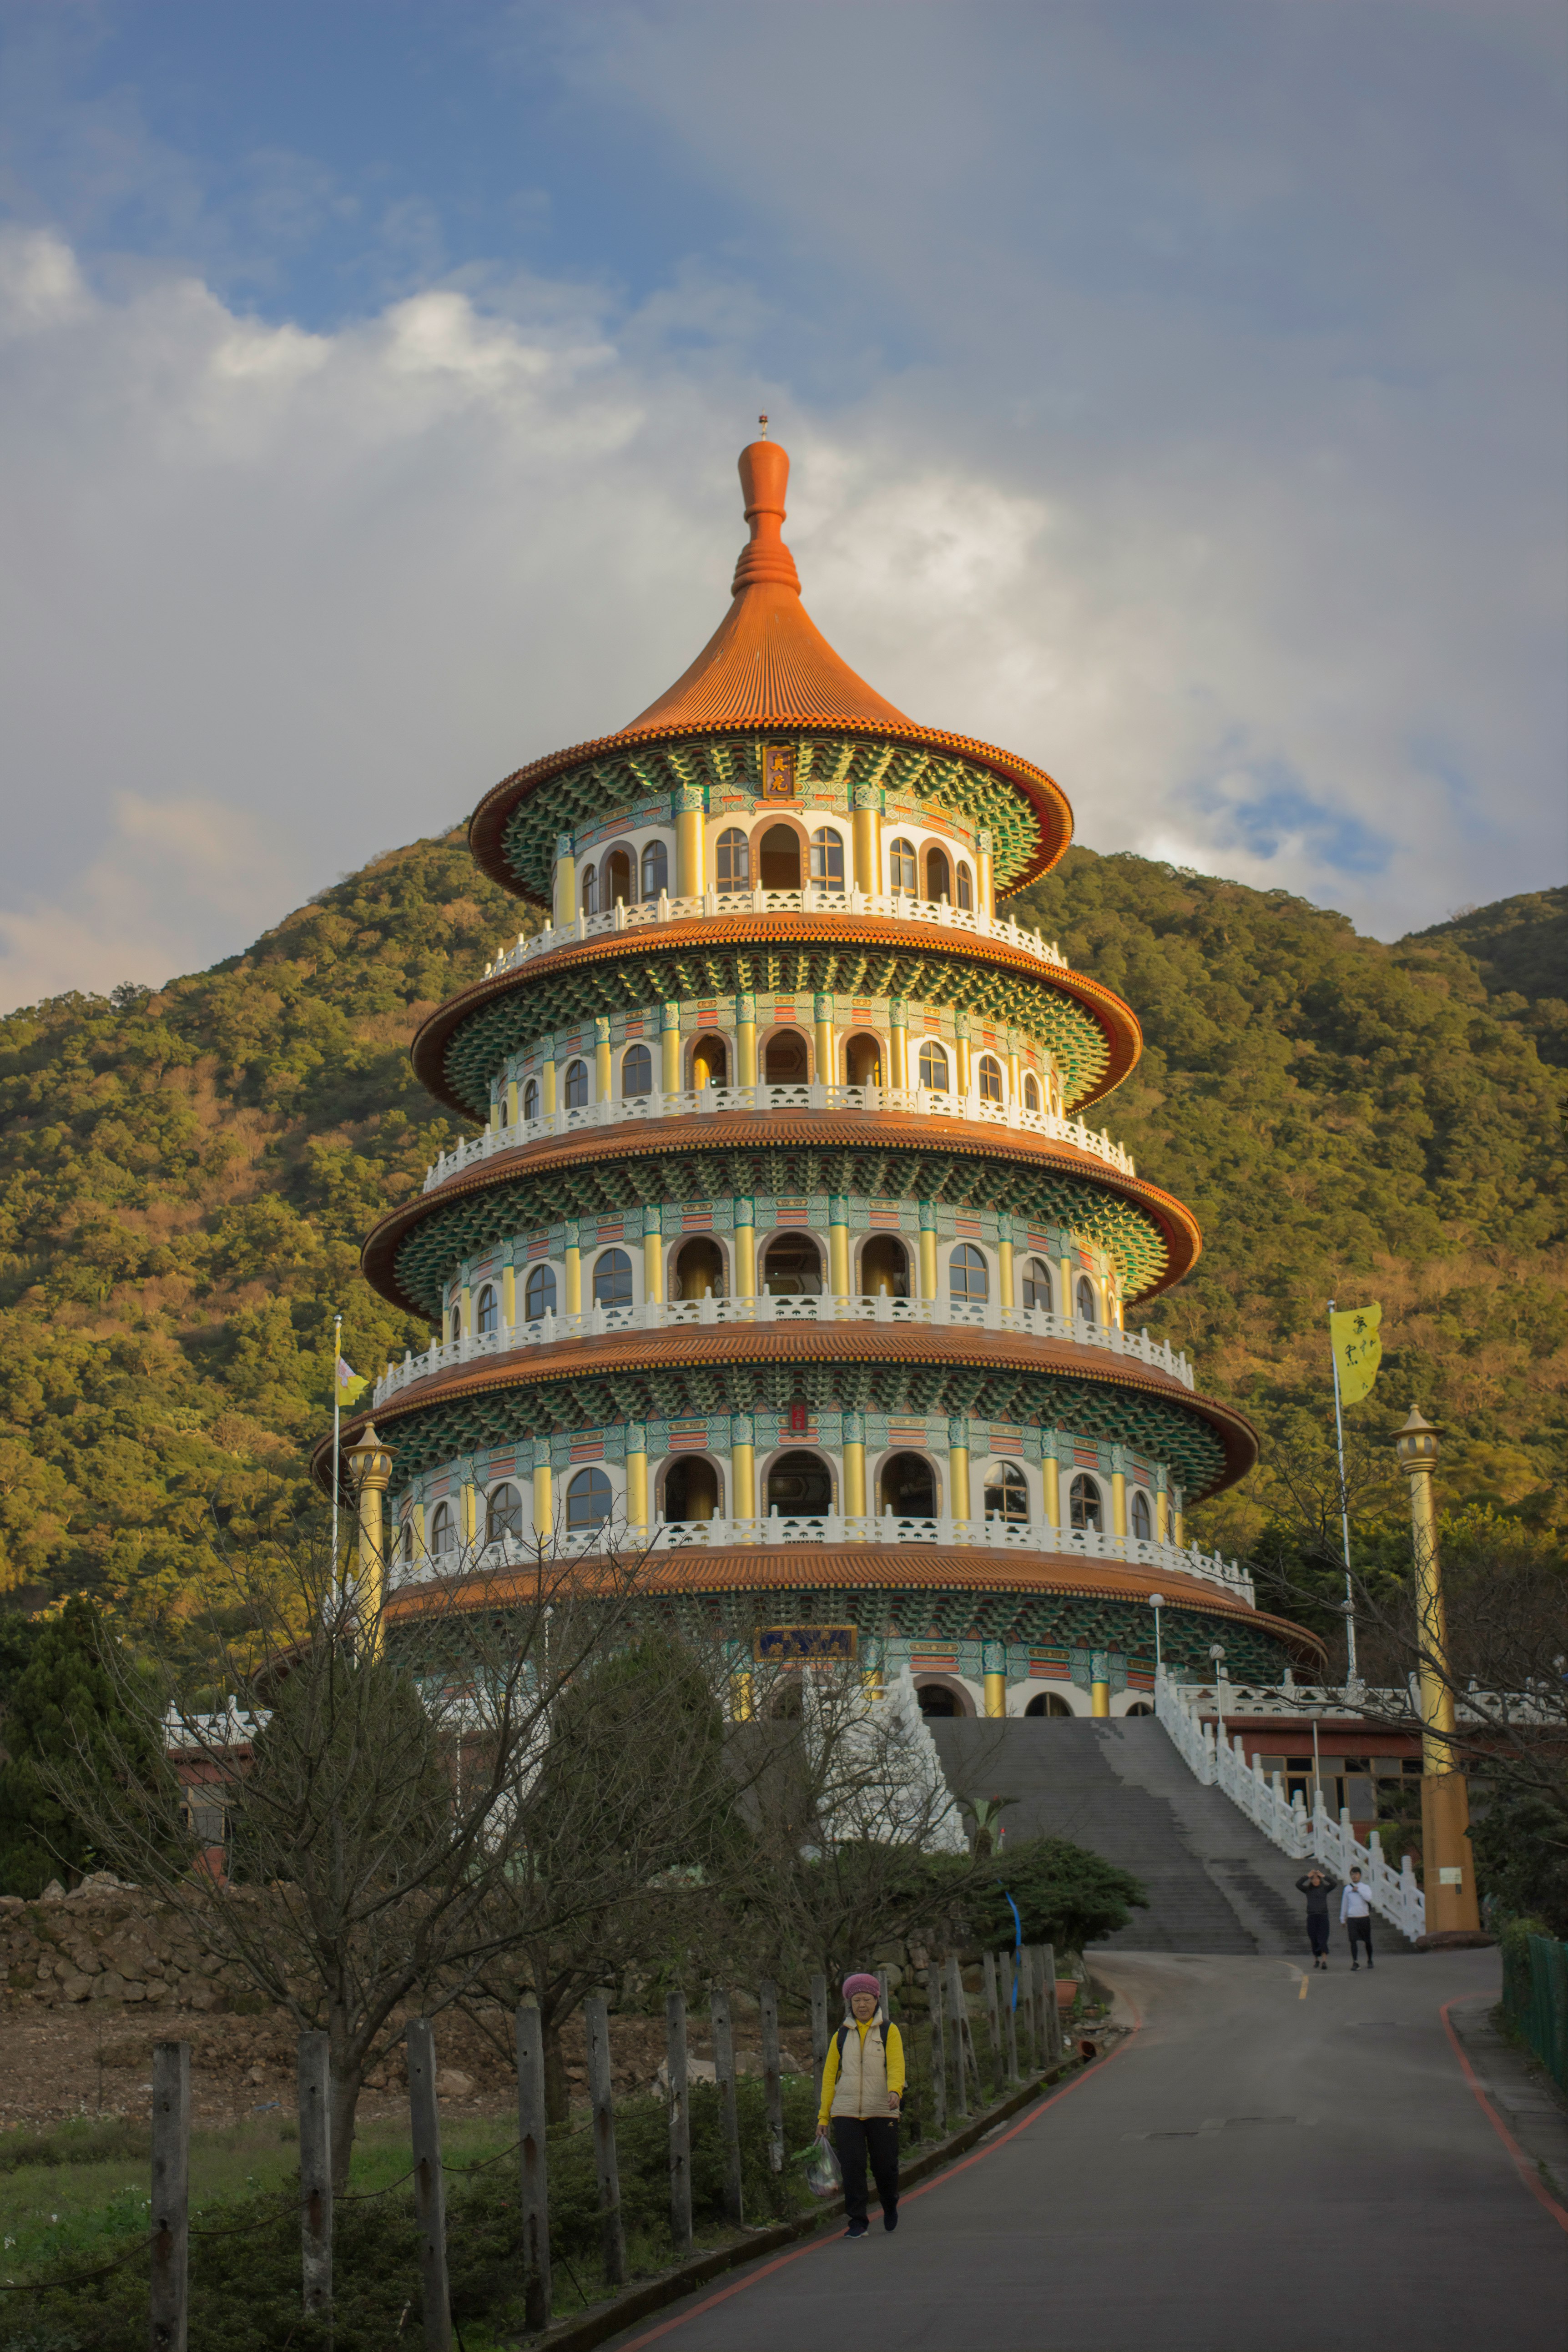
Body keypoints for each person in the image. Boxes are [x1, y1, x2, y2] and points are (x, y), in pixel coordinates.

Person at [816, 1973, 904, 2238]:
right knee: (852, 2167)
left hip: (882, 2108)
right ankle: (857, 2221)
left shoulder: (889, 2030)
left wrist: (895, 2091)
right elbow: (829, 2076)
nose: (862, 2005)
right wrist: (823, 2118)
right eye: (857, 2000)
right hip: (846, 2111)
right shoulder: (841, 2036)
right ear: (850, 2003)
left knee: (885, 2165)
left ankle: (890, 2204)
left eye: (867, 1999)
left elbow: (897, 2066)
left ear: (877, 1999)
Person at [1296, 1866, 1336, 1969]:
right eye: (1313, 1879)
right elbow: (1298, 1884)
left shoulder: (1324, 1889)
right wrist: (1307, 1876)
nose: (1315, 1880)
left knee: (1323, 1939)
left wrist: (1324, 1876)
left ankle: (1324, 1961)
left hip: (1323, 1916)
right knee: (1314, 1939)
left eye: (1317, 1878)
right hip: (1312, 1917)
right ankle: (1316, 1960)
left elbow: (1334, 1884)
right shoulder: (1308, 1890)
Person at [1340, 1867, 1374, 1969]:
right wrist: (1343, 1918)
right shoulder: (1347, 1889)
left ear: (1360, 1875)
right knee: (1353, 1941)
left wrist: (1359, 1890)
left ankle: (1370, 1959)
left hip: (1364, 1917)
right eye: (1352, 1875)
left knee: (1367, 1941)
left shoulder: (1365, 1887)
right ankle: (1355, 1962)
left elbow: (1369, 1898)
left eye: (1356, 1874)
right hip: (1352, 1918)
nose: (1354, 1876)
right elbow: (1344, 1904)